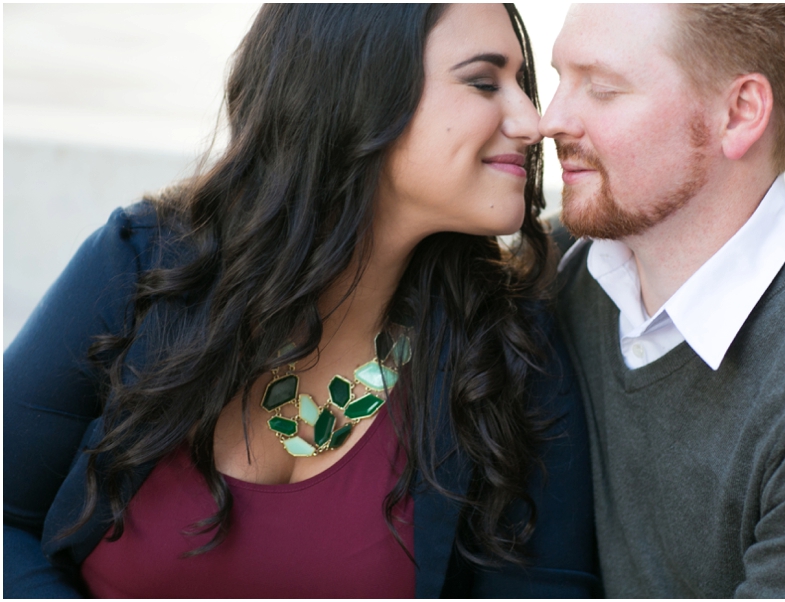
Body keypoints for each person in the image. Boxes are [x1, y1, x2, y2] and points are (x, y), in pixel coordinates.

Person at [4, 4, 598, 598]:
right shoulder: (143, 266)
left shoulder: (510, 348)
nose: (532, 120)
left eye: (521, 85)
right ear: (357, 89)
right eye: (483, 82)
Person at [542, 3, 785, 597]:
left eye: (601, 89)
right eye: (558, 80)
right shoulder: (557, 269)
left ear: (740, 114)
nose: (550, 119)